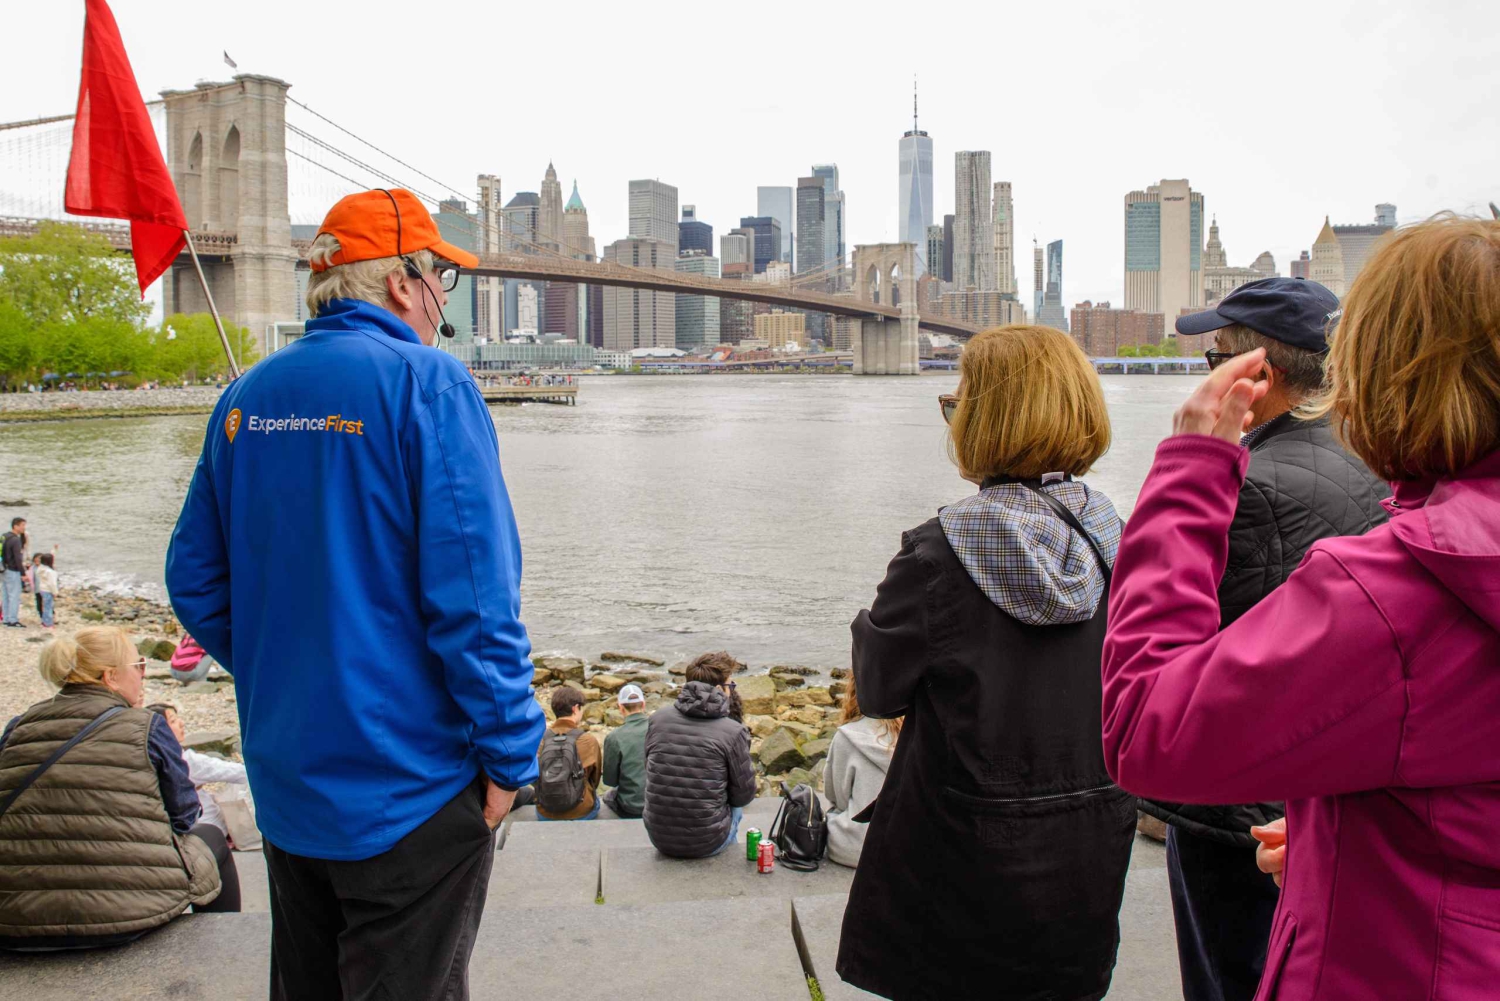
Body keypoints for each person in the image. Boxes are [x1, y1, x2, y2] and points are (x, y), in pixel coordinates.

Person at [1102, 215, 1500, 1000]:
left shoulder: (1396, 588)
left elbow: (1145, 722)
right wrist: (1341, 829)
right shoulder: (1432, 534)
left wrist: (1189, 467)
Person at [165, 188, 545, 1001]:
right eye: (443, 274)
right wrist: (511, 757)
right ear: (404, 280)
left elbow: (194, 580)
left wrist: (290, 661)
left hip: (290, 784)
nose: (446, 294)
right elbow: (478, 603)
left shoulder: (245, 399)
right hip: (410, 791)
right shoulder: (430, 385)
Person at [837, 325, 1136, 1001]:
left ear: (986, 421)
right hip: (1087, 848)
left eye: (958, 403)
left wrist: (868, 624)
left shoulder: (936, 556)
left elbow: (880, 690)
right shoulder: (1121, 543)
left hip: (960, 859)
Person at [1140, 277, 1391, 1001]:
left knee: (1228, 980)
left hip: (1239, 825)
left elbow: (1182, 670)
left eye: (1211, 358)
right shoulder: (1374, 462)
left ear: (1256, 375)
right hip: (1328, 805)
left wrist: (1186, 465)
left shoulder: (1248, 487)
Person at [0, 627, 239, 950]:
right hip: (125, 917)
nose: (142, 675)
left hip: (14, 919)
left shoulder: (18, 726)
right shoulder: (146, 726)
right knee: (210, 836)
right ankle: (220, 952)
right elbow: (184, 816)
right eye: (139, 665)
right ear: (111, 676)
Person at [643, 652, 757, 858]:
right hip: (707, 841)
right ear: (718, 690)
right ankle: (730, 858)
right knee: (737, 808)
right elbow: (744, 796)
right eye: (730, 686)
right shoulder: (733, 731)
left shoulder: (657, 720)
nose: (732, 691)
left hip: (659, 837)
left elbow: (651, 770)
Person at [823, 671, 902, 869]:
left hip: (853, 850)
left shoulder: (848, 736)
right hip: (905, 850)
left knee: (834, 814)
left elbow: (836, 796)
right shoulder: (918, 735)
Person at [148, 703, 251, 837]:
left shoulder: (148, 758)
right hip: (206, 829)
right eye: (173, 721)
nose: (181, 723)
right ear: (161, 730)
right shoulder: (184, 760)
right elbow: (237, 772)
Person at [535, 687, 603, 821]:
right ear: (575, 708)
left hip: (545, 811)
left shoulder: (539, 740)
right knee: (595, 799)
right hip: (580, 811)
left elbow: (533, 776)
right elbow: (594, 780)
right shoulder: (588, 740)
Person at [601, 683, 649, 819]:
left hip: (631, 807)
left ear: (621, 708)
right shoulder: (659, 730)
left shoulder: (614, 737)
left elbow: (610, 781)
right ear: (643, 705)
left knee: (608, 795)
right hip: (658, 803)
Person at [2, 517, 25, 627]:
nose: (24, 528)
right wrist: (23, 573)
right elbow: (18, 558)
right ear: (15, 526)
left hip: (2, 569)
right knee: (14, 595)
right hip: (13, 570)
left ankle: (6, 618)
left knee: (6, 595)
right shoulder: (16, 540)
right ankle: (13, 620)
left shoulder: (4, 536)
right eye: (22, 525)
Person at [31, 552, 58, 630]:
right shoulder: (50, 572)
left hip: (42, 589)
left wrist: (54, 550)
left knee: (45, 606)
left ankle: (44, 622)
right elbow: (52, 584)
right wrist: (55, 592)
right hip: (48, 590)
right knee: (48, 607)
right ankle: (48, 624)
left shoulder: (40, 569)